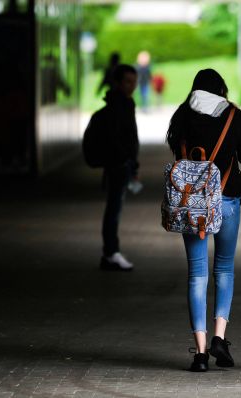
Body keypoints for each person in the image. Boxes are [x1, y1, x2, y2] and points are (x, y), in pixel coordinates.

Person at [166, 69, 241, 372]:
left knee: (196, 274)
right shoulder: (232, 114)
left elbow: (176, 153)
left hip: (191, 206)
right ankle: (220, 336)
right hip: (227, 199)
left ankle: (201, 353)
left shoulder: (182, 114)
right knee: (225, 268)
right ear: (221, 89)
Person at [98, 64, 140, 271]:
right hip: (119, 164)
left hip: (121, 163)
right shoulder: (120, 105)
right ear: (117, 82)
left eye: (134, 82)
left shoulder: (123, 102)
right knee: (114, 209)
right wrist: (127, 159)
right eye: (128, 82)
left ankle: (110, 252)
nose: (132, 86)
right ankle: (111, 252)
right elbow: (122, 137)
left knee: (114, 208)